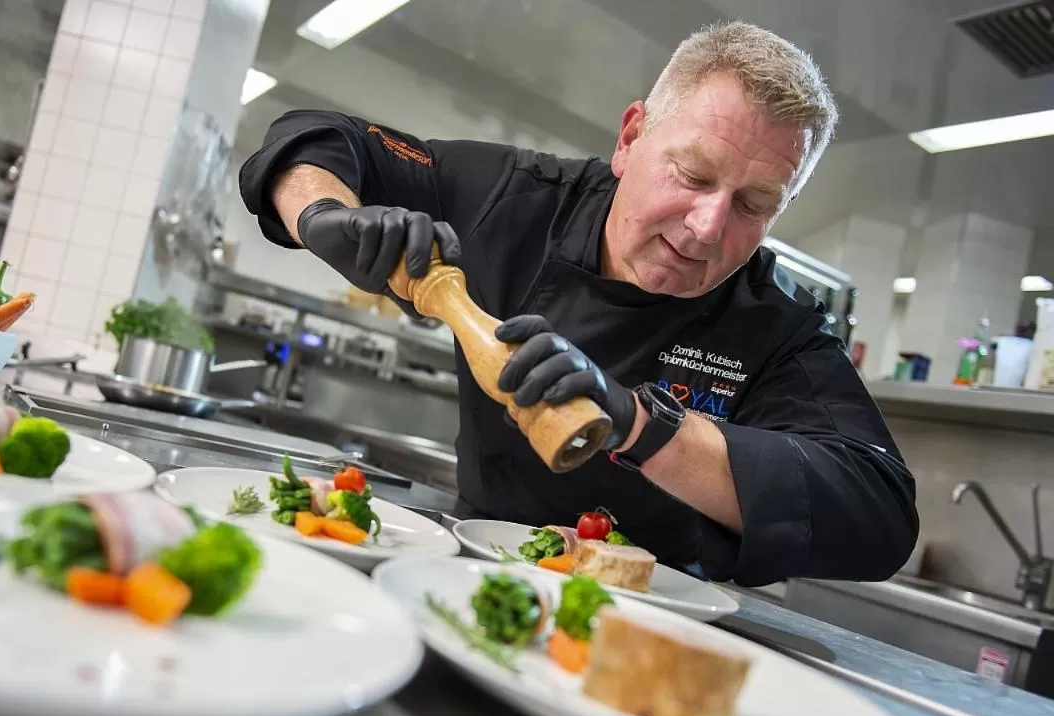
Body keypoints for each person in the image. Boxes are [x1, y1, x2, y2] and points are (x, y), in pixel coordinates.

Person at [237, 20, 919, 586]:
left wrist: (642, 425)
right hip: (473, 566)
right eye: (693, 174)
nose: (707, 226)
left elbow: (878, 511)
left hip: (651, 613)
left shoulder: (778, 323)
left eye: (753, 204)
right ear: (630, 138)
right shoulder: (515, 198)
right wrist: (324, 215)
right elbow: (319, 137)